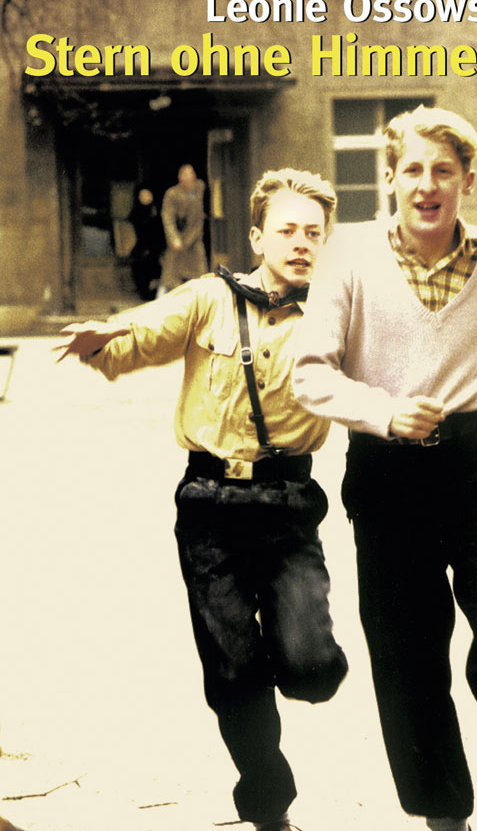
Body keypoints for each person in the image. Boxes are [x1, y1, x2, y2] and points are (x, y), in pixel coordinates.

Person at [292, 105, 477, 831]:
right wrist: (381, 410)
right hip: (384, 476)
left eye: (443, 171)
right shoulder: (349, 257)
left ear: (467, 180)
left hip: (474, 468)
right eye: (412, 170)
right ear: (390, 179)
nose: (426, 185)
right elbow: (309, 373)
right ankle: (445, 818)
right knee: (408, 659)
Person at [55, 168, 348, 831]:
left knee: (313, 669)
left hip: (289, 506)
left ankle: (277, 654)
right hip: (210, 507)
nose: (301, 242)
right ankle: (270, 809)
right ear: (258, 236)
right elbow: (148, 330)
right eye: (287, 230)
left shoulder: (338, 316)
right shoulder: (211, 298)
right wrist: (104, 339)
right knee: (233, 676)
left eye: (313, 233)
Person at [158, 163, 209, 295]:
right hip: (179, 237)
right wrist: (174, 238)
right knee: (170, 274)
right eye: (184, 174)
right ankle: (162, 298)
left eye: (190, 174)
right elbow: (167, 217)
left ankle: (201, 299)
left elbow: (201, 216)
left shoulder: (200, 188)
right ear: (179, 177)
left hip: (195, 236)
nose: (187, 178)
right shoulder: (172, 193)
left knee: (200, 273)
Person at [128, 185, 166, 300]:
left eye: (147, 195)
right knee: (140, 269)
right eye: (142, 196)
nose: (145, 198)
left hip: (156, 247)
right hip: (142, 246)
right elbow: (138, 231)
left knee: (156, 271)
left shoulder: (157, 211)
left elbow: (160, 230)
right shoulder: (136, 212)